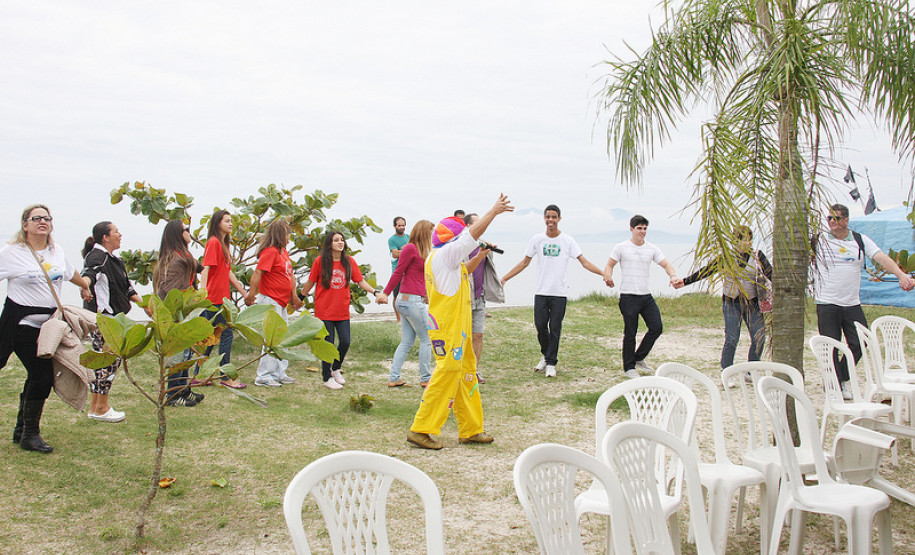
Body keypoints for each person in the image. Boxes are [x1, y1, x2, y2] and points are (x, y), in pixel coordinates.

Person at [406, 194, 513, 450]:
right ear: (454, 239)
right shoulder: (445, 255)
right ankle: (421, 428)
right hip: (448, 329)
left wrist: (482, 254)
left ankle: (471, 429)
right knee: (447, 373)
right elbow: (469, 237)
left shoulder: (444, 259)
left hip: (458, 330)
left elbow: (465, 269)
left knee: (467, 373)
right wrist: (493, 212)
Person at [0, 204, 92, 453]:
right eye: (36, 218)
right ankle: (30, 434)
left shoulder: (56, 250)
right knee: (41, 375)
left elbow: (69, 272)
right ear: (25, 224)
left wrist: (85, 284)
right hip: (22, 324)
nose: (43, 221)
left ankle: (22, 431)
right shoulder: (11, 252)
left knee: (37, 375)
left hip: (50, 326)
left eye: (47, 218)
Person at [813, 203, 915, 399]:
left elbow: (881, 258)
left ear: (846, 220)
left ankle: (842, 377)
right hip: (826, 302)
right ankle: (834, 386)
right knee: (831, 345)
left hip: (851, 303)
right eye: (829, 218)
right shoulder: (819, 241)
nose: (832, 222)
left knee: (861, 341)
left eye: (836, 218)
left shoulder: (859, 240)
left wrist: (902, 275)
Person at [501, 204, 606, 378]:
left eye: (554, 217)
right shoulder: (537, 239)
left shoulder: (568, 241)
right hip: (542, 291)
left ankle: (551, 363)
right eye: (548, 217)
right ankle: (545, 354)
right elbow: (524, 262)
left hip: (560, 292)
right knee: (540, 326)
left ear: (559, 219)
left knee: (555, 328)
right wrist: (505, 278)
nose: (551, 220)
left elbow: (584, 262)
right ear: (544, 219)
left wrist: (603, 273)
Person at [675, 226, 772, 374]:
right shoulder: (726, 257)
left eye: (749, 239)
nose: (747, 243)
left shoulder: (758, 256)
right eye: (743, 240)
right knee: (732, 338)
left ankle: (751, 370)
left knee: (759, 337)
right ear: (735, 241)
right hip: (731, 303)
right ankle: (727, 371)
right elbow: (706, 271)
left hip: (752, 304)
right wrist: (684, 282)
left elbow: (771, 274)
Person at [300, 231, 387, 390]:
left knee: (345, 341)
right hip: (324, 310)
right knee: (328, 344)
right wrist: (300, 297)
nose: (341, 243)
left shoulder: (348, 261)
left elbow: (360, 281)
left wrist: (375, 292)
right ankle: (326, 378)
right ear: (329, 244)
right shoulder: (320, 262)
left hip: (341, 311)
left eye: (342, 240)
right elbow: (311, 282)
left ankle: (335, 368)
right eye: (336, 240)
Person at [81, 221, 146, 422]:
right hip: (104, 320)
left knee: (106, 363)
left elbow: (127, 289)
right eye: (116, 231)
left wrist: (146, 306)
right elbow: (88, 276)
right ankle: (101, 407)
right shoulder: (97, 256)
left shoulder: (114, 260)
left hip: (115, 319)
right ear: (105, 237)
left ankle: (95, 407)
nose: (120, 234)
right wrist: (84, 288)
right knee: (108, 363)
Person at [604, 214, 679, 379]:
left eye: (645, 228)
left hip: (646, 296)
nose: (642, 231)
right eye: (639, 228)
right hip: (628, 296)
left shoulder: (651, 248)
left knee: (656, 327)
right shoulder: (621, 247)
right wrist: (608, 276)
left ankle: (638, 357)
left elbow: (666, 264)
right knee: (631, 332)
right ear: (631, 229)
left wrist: (672, 276)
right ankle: (629, 367)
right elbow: (610, 265)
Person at [153, 220, 205, 407]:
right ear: (178, 234)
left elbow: (201, 267)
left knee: (186, 354)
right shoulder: (175, 260)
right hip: (176, 314)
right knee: (178, 355)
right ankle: (173, 395)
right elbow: (170, 291)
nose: (189, 233)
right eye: (186, 230)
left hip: (185, 312)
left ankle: (184, 389)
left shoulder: (183, 255)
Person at [245, 218, 303, 386]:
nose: (289, 238)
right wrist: (251, 294)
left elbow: (290, 276)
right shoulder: (270, 252)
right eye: (287, 234)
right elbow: (258, 273)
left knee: (282, 337)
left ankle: (279, 372)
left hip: (281, 301)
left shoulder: (283, 252)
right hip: (270, 299)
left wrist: (294, 296)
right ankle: (264, 376)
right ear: (280, 234)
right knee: (271, 339)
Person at [382, 219, 434, 387]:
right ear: (424, 233)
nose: (433, 235)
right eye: (431, 232)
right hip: (409, 300)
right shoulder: (410, 248)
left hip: (411, 300)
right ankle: (426, 378)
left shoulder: (422, 250)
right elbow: (398, 272)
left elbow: (421, 277)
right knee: (427, 339)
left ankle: (394, 377)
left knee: (407, 341)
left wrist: (426, 294)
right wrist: (385, 293)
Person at [200, 210, 248, 389]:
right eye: (227, 221)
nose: (230, 224)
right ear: (217, 222)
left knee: (211, 337)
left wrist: (243, 293)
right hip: (213, 298)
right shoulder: (213, 242)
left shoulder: (222, 244)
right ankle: (225, 376)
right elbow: (206, 268)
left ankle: (199, 375)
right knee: (225, 334)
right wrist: (202, 295)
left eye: (231, 221)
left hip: (222, 298)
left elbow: (227, 272)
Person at [462, 212, 504, 384]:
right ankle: (460, 370)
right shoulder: (460, 247)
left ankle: (474, 371)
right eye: (478, 223)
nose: (482, 226)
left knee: (478, 335)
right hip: (464, 299)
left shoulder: (484, 245)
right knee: (463, 337)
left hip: (480, 298)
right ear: (467, 226)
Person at [388, 217, 408, 323]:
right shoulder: (392, 239)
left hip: (409, 271)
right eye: (399, 225)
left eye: (403, 225)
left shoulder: (409, 237)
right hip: (397, 271)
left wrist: (402, 250)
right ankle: (398, 319)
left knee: (408, 296)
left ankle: (407, 318)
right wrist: (407, 248)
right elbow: (395, 254)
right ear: (395, 226)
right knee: (396, 296)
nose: (402, 227)